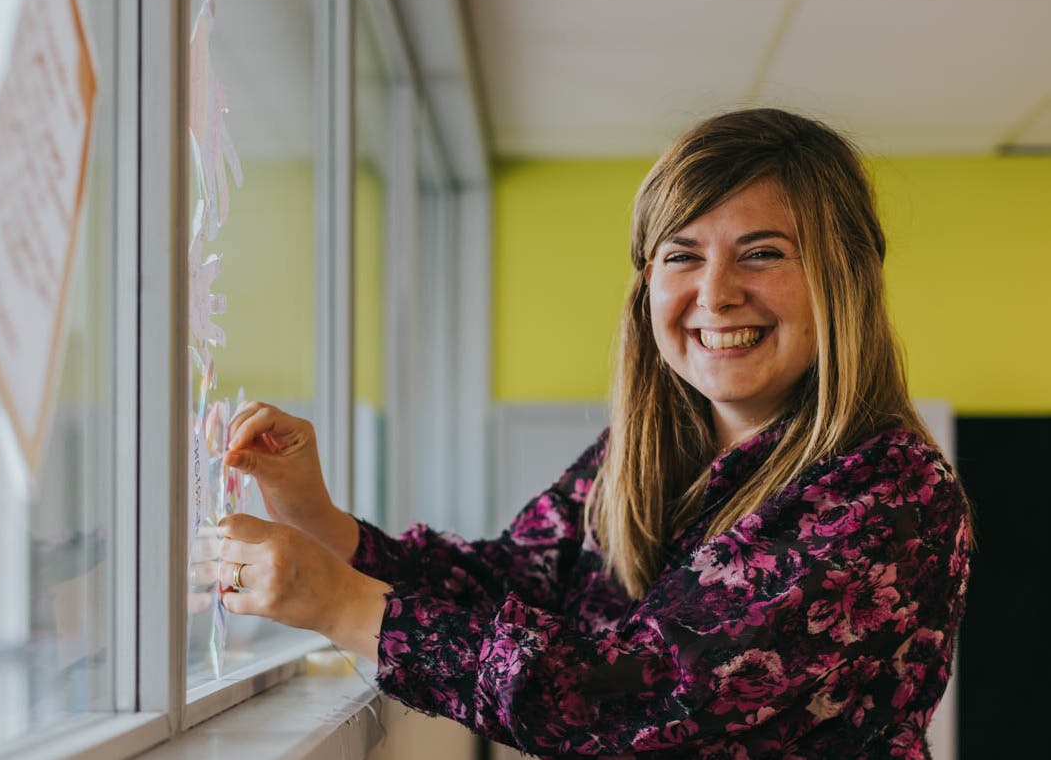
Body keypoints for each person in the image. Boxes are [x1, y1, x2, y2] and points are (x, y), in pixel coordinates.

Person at [215, 108, 972, 758]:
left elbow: (644, 700)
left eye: (762, 253)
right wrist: (316, 519)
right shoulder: (644, 453)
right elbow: (513, 583)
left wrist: (345, 606)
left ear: (845, 276)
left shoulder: (888, 488)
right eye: (681, 255)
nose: (714, 292)